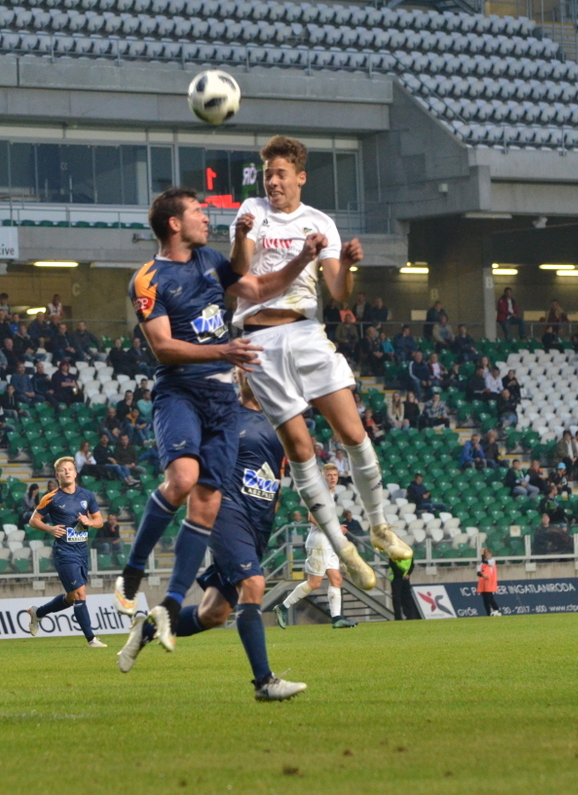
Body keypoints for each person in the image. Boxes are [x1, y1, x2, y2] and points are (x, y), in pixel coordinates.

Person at [114, 183, 338, 642]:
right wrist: (224, 350)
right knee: (181, 480)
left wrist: (302, 261)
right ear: (174, 224)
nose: (205, 217)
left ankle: (170, 608)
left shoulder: (212, 262)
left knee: (207, 501)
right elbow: (162, 347)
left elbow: (256, 287)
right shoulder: (147, 279)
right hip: (180, 391)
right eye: (197, 211)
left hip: (221, 399)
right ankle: (133, 570)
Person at [228, 135, 410, 593]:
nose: (272, 181)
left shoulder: (319, 222)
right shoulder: (250, 211)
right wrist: (240, 236)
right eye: (268, 173)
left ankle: (379, 525)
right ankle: (341, 548)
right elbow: (239, 276)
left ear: (299, 177)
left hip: (307, 333)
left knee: (352, 432)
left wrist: (347, 265)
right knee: (301, 450)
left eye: (280, 173)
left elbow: (339, 292)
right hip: (259, 342)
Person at [116, 370, 307, 701]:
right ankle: (265, 682)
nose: (257, 374)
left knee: (213, 613)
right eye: (249, 368)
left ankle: (145, 628)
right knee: (255, 584)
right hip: (225, 512)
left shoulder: (281, 420)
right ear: (237, 374)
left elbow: (286, 469)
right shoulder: (224, 412)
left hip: (258, 522)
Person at [25, 457, 109, 648]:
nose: (67, 472)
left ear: (75, 473)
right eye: (63, 470)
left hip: (81, 552)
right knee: (80, 594)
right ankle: (91, 639)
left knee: (71, 598)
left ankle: (38, 613)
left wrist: (90, 523)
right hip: (64, 552)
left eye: (70, 469)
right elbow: (33, 520)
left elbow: (99, 521)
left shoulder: (87, 495)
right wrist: (50, 529)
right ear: (57, 475)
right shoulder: (51, 497)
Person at [274, 463, 358, 629]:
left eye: (335, 475)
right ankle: (282, 607)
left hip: (329, 542)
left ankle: (337, 618)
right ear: (323, 477)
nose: (333, 478)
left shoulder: (330, 494)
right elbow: (312, 517)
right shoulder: (319, 493)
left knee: (336, 579)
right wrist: (336, 528)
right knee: (314, 583)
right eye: (329, 475)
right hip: (319, 543)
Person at [476, 547, 501, 616]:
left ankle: (496, 609)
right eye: (485, 554)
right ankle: (488, 613)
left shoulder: (492, 561)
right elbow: (478, 572)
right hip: (482, 581)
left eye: (488, 554)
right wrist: (482, 575)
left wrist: (481, 554)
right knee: (485, 599)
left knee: (490, 597)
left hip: (489, 581)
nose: (487, 556)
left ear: (490, 554)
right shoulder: (482, 564)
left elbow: (485, 562)